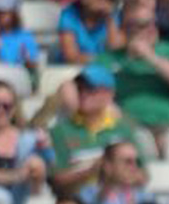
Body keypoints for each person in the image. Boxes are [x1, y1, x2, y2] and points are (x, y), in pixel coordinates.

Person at [98, 0, 169, 138]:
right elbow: (89, 94)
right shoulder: (108, 59)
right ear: (124, 28)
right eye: (141, 25)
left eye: (153, 22)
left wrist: (152, 58)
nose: (151, 29)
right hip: (131, 131)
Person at [48, 66, 141, 194]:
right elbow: (56, 180)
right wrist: (93, 170)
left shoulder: (124, 130)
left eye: (90, 89)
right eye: (79, 88)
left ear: (109, 94)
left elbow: (143, 175)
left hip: (119, 197)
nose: (83, 94)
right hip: (76, 200)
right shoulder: (60, 131)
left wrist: (121, 171)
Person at [57, 0, 116, 65]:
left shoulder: (115, 16)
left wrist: (109, 19)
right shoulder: (68, 14)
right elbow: (71, 56)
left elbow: (116, 48)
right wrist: (102, 60)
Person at [0, 0, 40, 71]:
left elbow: (33, 64)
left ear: (14, 14)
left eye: (3, 12)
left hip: (19, 75)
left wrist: (26, 59)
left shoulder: (26, 36)